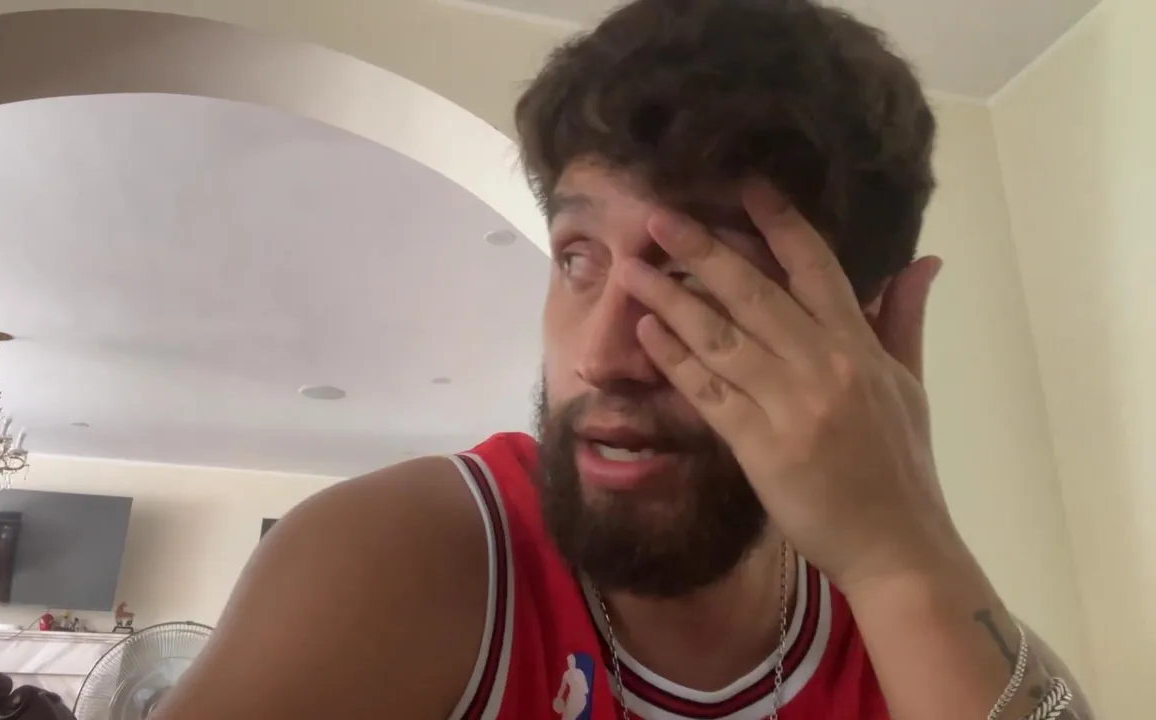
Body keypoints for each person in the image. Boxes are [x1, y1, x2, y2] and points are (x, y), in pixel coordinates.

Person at [154, 1, 1093, 718]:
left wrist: (901, 556)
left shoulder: (910, 628)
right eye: (578, 259)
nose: (604, 357)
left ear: (867, 326)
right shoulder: (401, 560)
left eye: (697, 278)